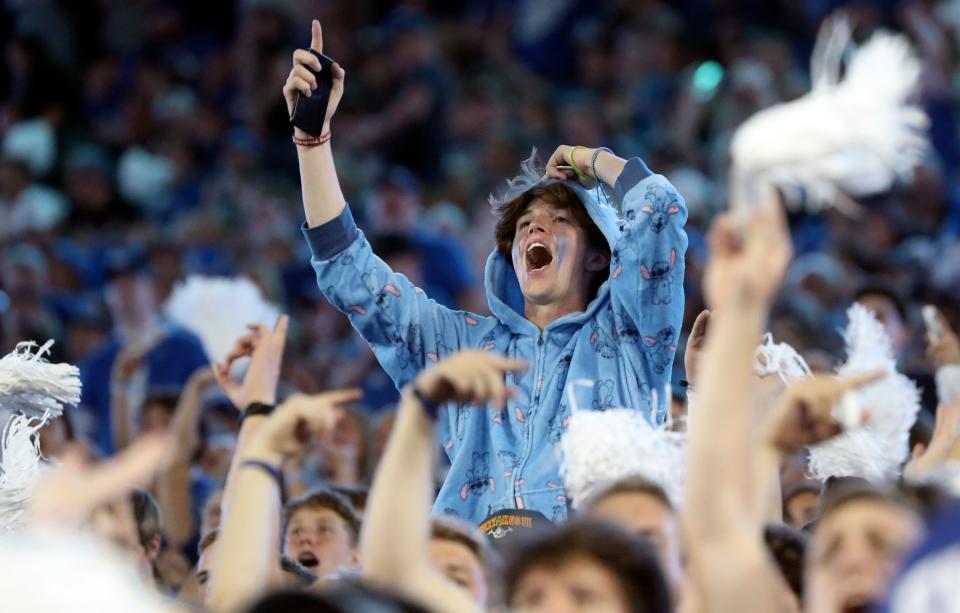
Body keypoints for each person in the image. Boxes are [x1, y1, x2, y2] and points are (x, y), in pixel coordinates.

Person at [287, 19, 687, 523]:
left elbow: (660, 211)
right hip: (477, 581)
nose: (533, 231)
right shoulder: (463, 351)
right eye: (524, 225)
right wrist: (311, 141)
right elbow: (350, 270)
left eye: (559, 221)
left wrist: (592, 160)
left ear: (598, 255)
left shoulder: (633, 340)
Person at [78, 251, 207, 455]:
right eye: (116, 285)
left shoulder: (185, 346)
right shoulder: (99, 360)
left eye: (132, 283)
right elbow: (85, 424)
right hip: (116, 469)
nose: (123, 292)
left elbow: (209, 407)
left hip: (176, 461)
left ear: (152, 290)